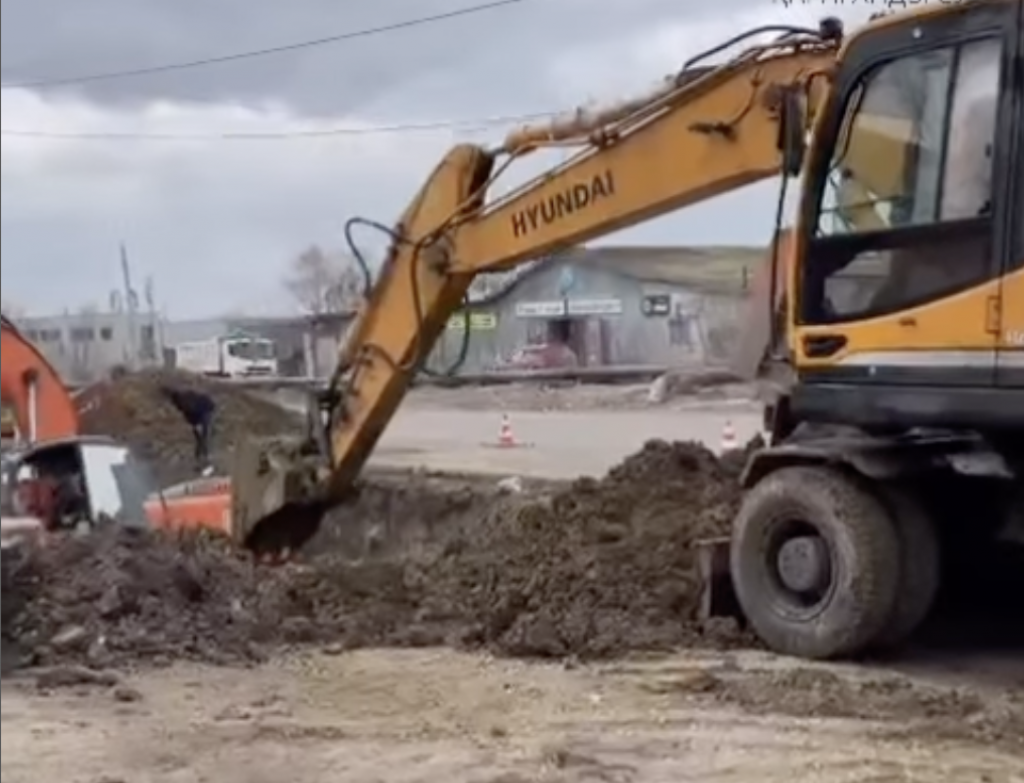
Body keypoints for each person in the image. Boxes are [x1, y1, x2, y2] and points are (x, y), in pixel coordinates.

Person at [160, 385, 216, 474]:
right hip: (202, 410)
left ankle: (206, 459)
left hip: (206, 410)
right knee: (199, 437)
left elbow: (191, 412)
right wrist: (194, 425)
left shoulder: (183, 402)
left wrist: (196, 424)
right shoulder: (181, 399)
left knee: (204, 436)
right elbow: (187, 414)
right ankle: (200, 459)